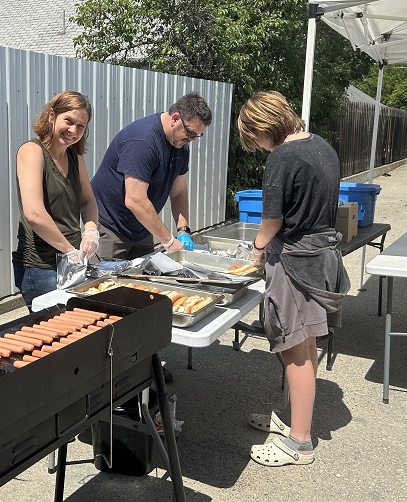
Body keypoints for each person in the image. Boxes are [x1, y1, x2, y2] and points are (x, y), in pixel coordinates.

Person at [237, 91, 350, 467]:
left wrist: (256, 249)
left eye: (254, 138)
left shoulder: (282, 157)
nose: (257, 146)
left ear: (262, 127)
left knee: (294, 350)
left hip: (297, 260)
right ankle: (292, 421)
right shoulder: (322, 146)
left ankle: (300, 443)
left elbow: (272, 221)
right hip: (324, 254)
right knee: (308, 344)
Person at [91, 92, 212, 260]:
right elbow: (134, 200)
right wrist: (168, 241)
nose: (192, 140)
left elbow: (178, 192)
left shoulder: (180, 144)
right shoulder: (143, 141)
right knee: (106, 283)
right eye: (190, 133)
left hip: (142, 226)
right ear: (175, 118)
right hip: (111, 226)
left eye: (197, 135)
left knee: (144, 281)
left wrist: (183, 230)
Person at [12, 91, 100, 307]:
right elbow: (34, 214)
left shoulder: (75, 156)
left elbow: (88, 201)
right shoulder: (32, 151)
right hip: (41, 266)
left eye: (81, 126)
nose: (73, 131)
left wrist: (90, 231)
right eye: (68, 121)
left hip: (72, 263)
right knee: (53, 335)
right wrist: (69, 250)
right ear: (52, 115)